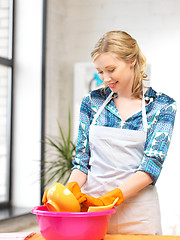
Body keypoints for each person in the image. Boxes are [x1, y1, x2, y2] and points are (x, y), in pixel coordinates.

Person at [46, 31, 177, 235]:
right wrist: (70, 190)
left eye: (111, 69)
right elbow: (82, 160)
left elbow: (152, 165)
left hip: (139, 214)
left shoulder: (162, 106)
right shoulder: (92, 101)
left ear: (132, 61)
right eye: (100, 71)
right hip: (92, 211)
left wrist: (111, 198)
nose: (105, 78)